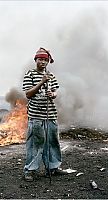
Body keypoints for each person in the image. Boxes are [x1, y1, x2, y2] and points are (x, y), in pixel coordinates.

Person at [22, 47, 67, 182]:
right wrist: (42, 81)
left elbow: (55, 91)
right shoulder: (29, 74)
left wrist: (52, 94)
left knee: (53, 142)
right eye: (40, 59)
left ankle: (53, 167)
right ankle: (30, 170)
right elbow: (28, 94)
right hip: (36, 116)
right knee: (35, 144)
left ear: (48, 62)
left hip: (51, 114)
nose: (43, 62)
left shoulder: (51, 75)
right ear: (35, 60)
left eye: (45, 60)